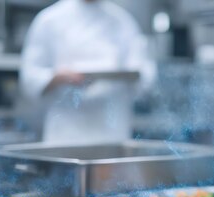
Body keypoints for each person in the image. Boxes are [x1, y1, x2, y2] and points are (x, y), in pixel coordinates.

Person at [20, 0, 154, 144]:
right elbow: (30, 77)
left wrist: (132, 76)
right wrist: (57, 78)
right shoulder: (49, 19)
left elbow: (145, 74)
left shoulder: (123, 21)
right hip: (65, 133)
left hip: (112, 133)